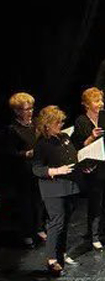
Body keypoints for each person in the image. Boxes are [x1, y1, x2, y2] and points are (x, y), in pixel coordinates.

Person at [71, 88, 105, 249]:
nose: (100, 104)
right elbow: (79, 146)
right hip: (94, 166)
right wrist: (92, 137)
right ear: (87, 104)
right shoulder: (82, 121)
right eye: (96, 101)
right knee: (96, 202)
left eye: (101, 100)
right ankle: (94, 235)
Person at [32, 106, 83, 277]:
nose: (61, 124)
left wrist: (83, 164)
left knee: (65, 222)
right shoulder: (42, 144)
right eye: (57, 122)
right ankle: (51, 259)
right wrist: (56, 171)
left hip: (69, 185)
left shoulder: (64, 137)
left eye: (61, 121)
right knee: (56, 222)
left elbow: (73, 156)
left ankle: (61, 254)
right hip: (53, 188)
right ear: (47, 124)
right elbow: (37, 169)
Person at [2, 93, 46, 246]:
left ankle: (39, 228)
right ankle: (27, 232)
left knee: (39, 200)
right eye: (26, 109)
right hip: (23, 171)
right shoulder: (12, 129)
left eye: (31, 108)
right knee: (26, 203)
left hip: (38, 167)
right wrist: (26, 154)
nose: (30, 112)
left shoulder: (36, 124)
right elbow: (8, 152)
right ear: (17, 111)